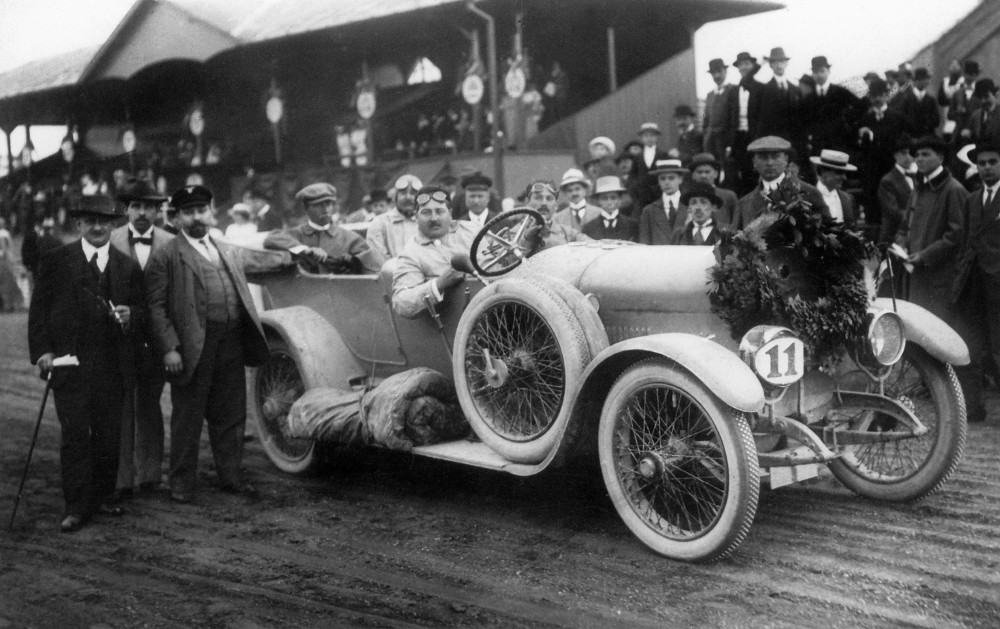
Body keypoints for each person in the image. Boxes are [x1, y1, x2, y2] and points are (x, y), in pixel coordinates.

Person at [145, 185, 269, 504]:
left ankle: (231, 476)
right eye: (188, 213)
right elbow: (155, 307)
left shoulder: (224, 247)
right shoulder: (166, 255)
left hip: (231, 340)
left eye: (201, 210)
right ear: (177, 218)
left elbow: (261, 261)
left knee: (231, 413)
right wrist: (169, 348)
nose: (197, 218)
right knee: (188, 417)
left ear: (212, 213)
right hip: (192, 346)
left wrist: (298, 253)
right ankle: (181, 483)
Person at [28, 194, 144, 532]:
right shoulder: (56, 261)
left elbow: (144, 312)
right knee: (76, 435)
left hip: (111, 367)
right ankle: (76, 506)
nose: (97, 227)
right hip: (70, 365)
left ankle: (104, 496)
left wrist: (132, 316)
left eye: (104, 221)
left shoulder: (127, 266)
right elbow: (38, 312)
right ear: (78, 224)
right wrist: (44, 352)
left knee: (108, 436)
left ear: (114, 225)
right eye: (90, 221)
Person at [109, 178, 175, 498]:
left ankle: (149, 475)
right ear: (126, 210)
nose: (142, 213)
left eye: (149, 207)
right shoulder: (109, 240)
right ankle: (121, 479)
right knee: (122, 407)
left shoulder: (171, 242)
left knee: (149, 404)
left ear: (158, 211)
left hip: (154, 339)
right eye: (136, 206)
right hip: (119, 338)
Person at [894, 135, 967, 325]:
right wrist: (900, 245)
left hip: (939, 278)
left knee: (936, 329)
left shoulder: (953, 189)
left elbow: (956, 235)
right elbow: (905, 224)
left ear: (940, 158)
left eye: (925, 154)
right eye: (917, 155)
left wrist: (925, 256)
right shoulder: (918, 187)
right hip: (914, 273)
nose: (919, 159)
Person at [952, 141, 1000, 423]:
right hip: (973, 284)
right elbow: (966, 242)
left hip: (998, 285)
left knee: (998, 348)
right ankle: (973, 408)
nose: (987, 168)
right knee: (970, 346)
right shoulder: (972, 199)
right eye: (982, 163)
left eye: (993, 162)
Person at [391, 186, 477, 318]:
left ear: (450, 213)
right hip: (454, 323)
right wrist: (439, 284)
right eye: (426, 212)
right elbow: (401, 303)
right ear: (416, 216)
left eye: (439, 211)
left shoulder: (472, 230)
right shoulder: (411, 253)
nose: (434, 218)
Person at [264, 183, 383, 274]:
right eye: (318, 205)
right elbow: (272, 238)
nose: (326, 209)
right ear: (306, 209)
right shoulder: (297, 234)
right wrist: (305, 250)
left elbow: (375, 268)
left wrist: (350, 261)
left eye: (328, 204)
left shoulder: (350, 238)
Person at [732, 136, 829, 230]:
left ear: (786, 160)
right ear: (754, 162)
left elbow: (828, 232)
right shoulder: (744, 204)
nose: (769, 163)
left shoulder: (809, 194)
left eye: (775, 157)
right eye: (763, 157)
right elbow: (735, 238)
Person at [856, 78, 907, 228]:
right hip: (872, 167)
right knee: (872, 200)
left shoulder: (897, 117)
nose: (877, 99)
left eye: (880, 95)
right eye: (874, 96)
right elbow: (861, 147)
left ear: (886, 95)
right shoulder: (865, 119)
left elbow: (898, 139)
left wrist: (875, 135)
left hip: (890, 165)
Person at [801, 56, 860, 155]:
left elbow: (860, 106)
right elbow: (804, 121)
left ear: (828, 71)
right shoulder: (809, 98)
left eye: (822, 71)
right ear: (812, 74)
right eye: (816, 72)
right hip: (818, 145)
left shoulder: (840, 92)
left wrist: (847, 126)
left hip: (838, 143)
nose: (819, 75)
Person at [730, 51, 765, 193]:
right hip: (738, 138)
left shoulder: (760, 88)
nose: (744, 67)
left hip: (754, 136)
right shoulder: (734, 90)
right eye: (741, 65)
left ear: (752, 66)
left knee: (755, 172)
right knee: (741, 174)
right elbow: (730, 118)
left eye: (747, 64)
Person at [523, 179, 592, 250]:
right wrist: (527, 239)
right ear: (527, 202)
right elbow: (515, 255)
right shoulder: (517, 233)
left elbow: (595, 247)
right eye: (538, 198)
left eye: (549, 199)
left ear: (556, 205)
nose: (544, 203)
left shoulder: (568, 234)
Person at [367, 174, 422, 259]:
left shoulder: (426, 222)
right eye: (403, 193)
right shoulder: (380, 223)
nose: (408, 197)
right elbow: (377, 258)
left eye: (413, 193)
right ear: (395, 197)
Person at [878, 135, 917, 245]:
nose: (908, 157)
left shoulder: (917, 178)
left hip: (913, 234)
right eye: (904, 153)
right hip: (892, 236)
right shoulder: (888, 180)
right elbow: (894, 212)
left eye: (911, 153)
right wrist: (919, 218)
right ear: (895, 155)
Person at [639, 159, 688, 244]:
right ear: (658, 181)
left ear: (680, 179)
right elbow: (644, 242)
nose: (667, 182)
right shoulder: (649, 210)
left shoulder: (689, 206)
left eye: (671, 178)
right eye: (662, 178)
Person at [757, 47, 799, 142]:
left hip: (793, 141)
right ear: (770, 65)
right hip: (774, 141)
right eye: (775, 62)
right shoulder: (764, 89)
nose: (779, 66)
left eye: (782, 61)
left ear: (786, 63)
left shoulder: (795, 89)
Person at [810, 150, 859, 228]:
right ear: (823, 171)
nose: (844, 177)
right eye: (839, 172)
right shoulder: (808, 197)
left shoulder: (848, 199)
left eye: (845, 173)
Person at [703, 58, 736, 171]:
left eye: (719, 71)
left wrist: (730, 144)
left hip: (725, 141)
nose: (716, 75)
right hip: (710, 142)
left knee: (727, 170)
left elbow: (734, 119)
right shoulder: (710, 95)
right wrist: (706, 137)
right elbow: (706, 120)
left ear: (725, 71)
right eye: (713, 73)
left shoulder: (733, 90)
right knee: (711, 169)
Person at [582, 176, 639, 241]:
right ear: (598, 201)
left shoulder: (632, 225)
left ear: (620, 200)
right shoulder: (589, 228)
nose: (609, 202)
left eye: (613, 198)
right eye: (604, 198)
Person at [688, 153, 738, 226]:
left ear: (716, 174)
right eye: (699, 172)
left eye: (707, 172)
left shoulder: (728, 196)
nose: (703, 175)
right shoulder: (688, 197)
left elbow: (736, 222)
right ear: (693, 175)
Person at [890, 67, 941, 140]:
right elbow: (902, 119)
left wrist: (926, 127)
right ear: (916, 81)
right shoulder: (906, 99)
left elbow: (936, 120)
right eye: (923, 79)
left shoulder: (931, 100)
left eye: (926, 79)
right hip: (911, 138)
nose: (926, 81)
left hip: (928, 137)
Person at [633, 122, 670, 209]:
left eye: (652, 135)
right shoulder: (638, 156)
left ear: (657, 137)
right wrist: (636, 188)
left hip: (659, 192)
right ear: (642, 138)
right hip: (642, 194)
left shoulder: (663, 154)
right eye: (646, 136)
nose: (649, 138)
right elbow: (633, 174)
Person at [966, 79, 1000, 145]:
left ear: (995, 95)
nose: (983, 101)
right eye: (980, 98)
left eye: (986, 96)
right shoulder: (975, 116)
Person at [0, 216, 22, 311]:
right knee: (9, 283)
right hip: (9, 260)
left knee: (5, 284)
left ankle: (7, 305)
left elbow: (3, 250)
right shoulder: (6, 233)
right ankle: (12, 304)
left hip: (3, 262)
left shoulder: (1, 234)